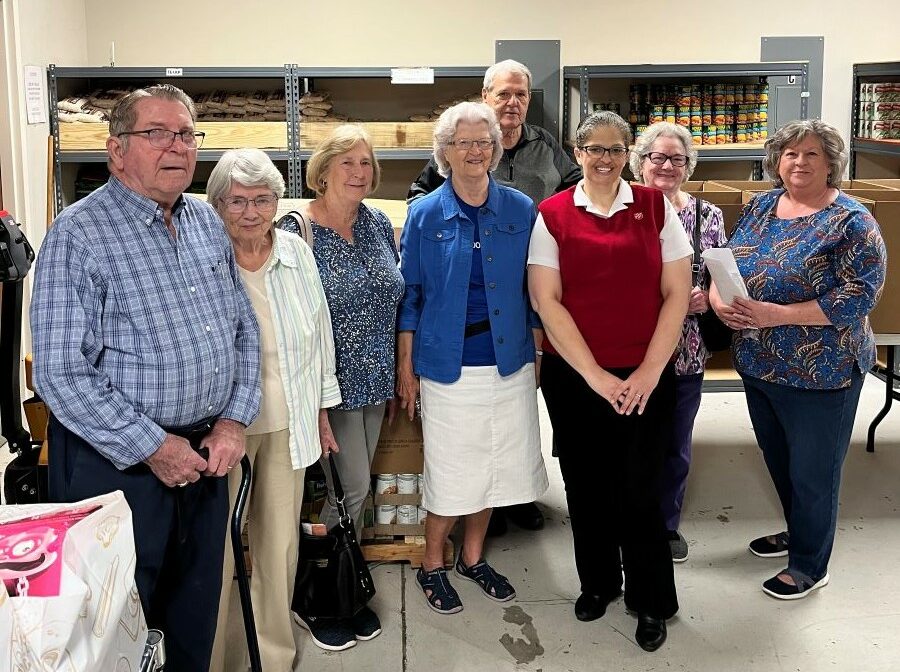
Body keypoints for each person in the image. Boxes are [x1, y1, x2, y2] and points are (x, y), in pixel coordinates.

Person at [30, 84, 261, 672]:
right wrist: (154, 446)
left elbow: (242, 330)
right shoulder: (78, 235)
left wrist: (234, 421)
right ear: (116, 150)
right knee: (114, 628)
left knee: (192, 616)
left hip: (207, 458)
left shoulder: (208, 224)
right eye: (156, 133)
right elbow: (61, 372)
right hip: (119, 466)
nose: (176, 147)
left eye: (186, 134)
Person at [528, 111, 692, 652]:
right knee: (586, 483)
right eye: (594, 149)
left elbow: (676, 293)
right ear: (577, 153)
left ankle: (650, 601)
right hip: (577, 379)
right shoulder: (551, 215)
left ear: (629, 154)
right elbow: (547, 302)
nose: (605, 159)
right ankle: (598, 584)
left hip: (646, 374)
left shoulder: (653, 207)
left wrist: (647, 371)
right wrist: (596, 376)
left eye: (616, 149)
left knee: (641, 489)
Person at [709, 119, 886, 600]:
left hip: (821, 370)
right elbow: (730, 259)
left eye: (812, 154)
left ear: (831, 163)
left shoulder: (852, 221)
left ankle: (810, 563)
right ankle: (800, 530)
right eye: (790, 154)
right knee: (781, 460)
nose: (800, 162)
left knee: (814, 470)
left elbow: (858, 296)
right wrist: (720, 298)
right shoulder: (764, 205)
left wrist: (775, 313)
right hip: (760, 361)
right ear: (777, 162)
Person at [408, 58, 580, 535]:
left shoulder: (545, 150)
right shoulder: (455, 156)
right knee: (459, 442)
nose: (512, 102)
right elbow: (420, 200)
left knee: (509, 433)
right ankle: (465, 524)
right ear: (486, 95)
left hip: (520, 293)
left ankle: (507, 503)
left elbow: (573, 195)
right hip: (459, 307)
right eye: (503, 93)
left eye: (520, 94)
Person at [397, 101, 549, 615]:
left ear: (495, 148)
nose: (475, 151)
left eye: (484, 142)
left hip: (508, 359)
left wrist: (538, 351)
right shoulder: (423, 214)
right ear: (445, 152)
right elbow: (410, 297)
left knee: (495, 465)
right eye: (463, 142)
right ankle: (431, 563)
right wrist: (407, 369)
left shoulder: (522, 210)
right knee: (451, 469)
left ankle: (473, 557)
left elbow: (536, 291)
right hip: (446, 364)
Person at [205, 149, 343, 668]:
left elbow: (319, 331)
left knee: (279, 545)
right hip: (220, 427)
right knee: (216, 549)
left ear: (277, 202)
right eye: (237, 201)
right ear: (217, 205)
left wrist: (322, 411)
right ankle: (215, 654)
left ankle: (272, 651)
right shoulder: (204, 254)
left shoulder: (295, 251)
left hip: (288, 420)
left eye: (262, 199)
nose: (250, 212)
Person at [280, 125, 404, 650]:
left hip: (375, 380)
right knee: (346, 487)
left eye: (366, 163)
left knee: (350, 487)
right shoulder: (296, 229)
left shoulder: (377, 222)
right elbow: (287, 315)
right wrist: (312, 404)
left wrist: (403, 367)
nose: (359, 172)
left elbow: (397, 295)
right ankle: (316, 596)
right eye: (347, 162)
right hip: (326, 386)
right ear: (324, 169)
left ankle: (335, 585)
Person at [630, 122, 727, 563]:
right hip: (628, 346)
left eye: (677, 159)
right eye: (658, 157)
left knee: (675, 442)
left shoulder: (707, 215)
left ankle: (665, 525)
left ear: (688, 166)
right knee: (627, 440)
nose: (667, 166)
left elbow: (723, 276)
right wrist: (665, 300)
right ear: (642, 162)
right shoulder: (619, 206)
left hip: (685, 350)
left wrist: (708, 297)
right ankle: (625, 517)